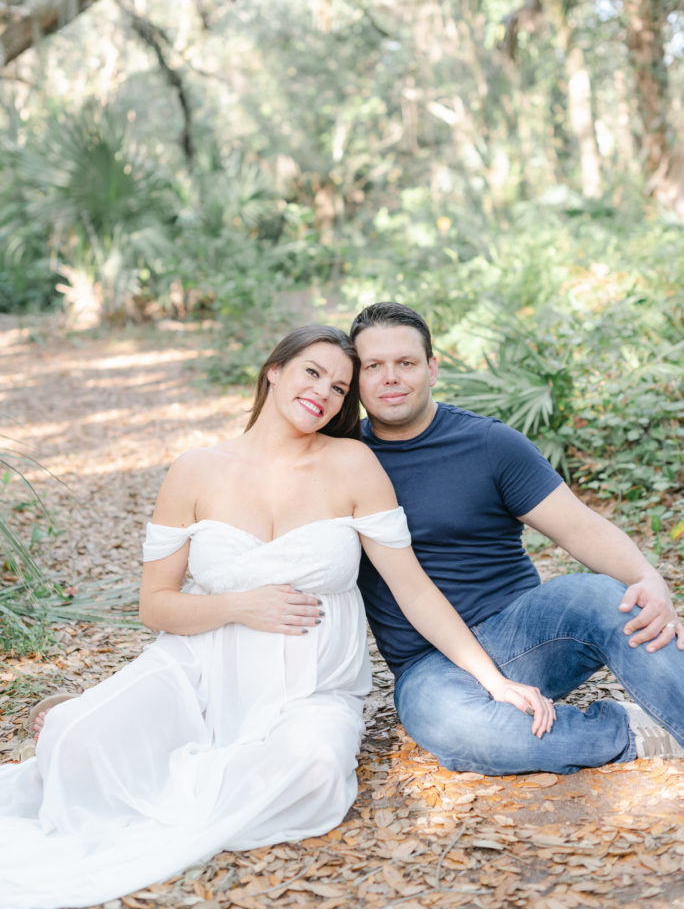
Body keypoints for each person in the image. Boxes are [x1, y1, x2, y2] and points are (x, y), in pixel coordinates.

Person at [0, 324, 552, 909]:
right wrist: (240, 605)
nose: (323, 392)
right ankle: (100, 721)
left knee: (312, 774)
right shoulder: (195, 469)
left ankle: (149, 759)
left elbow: (413, 589)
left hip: (310, 687)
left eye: (340, 387)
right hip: (200, 669)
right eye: (311, 372)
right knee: (77, 747)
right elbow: (153, 605)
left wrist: (492, 678)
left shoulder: (354, 464)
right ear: (274, 370)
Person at [350, 302, 684, 777]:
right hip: (431, 667)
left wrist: (650, 578)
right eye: (373, 366)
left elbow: (579, 527)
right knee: (469, 732)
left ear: (432, 368)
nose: (391, 378)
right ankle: (632, 731)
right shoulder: (343, 460)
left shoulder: (489, 445)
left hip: (523, 635)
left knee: (607, 597)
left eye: (405, 362)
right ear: (357, 378)